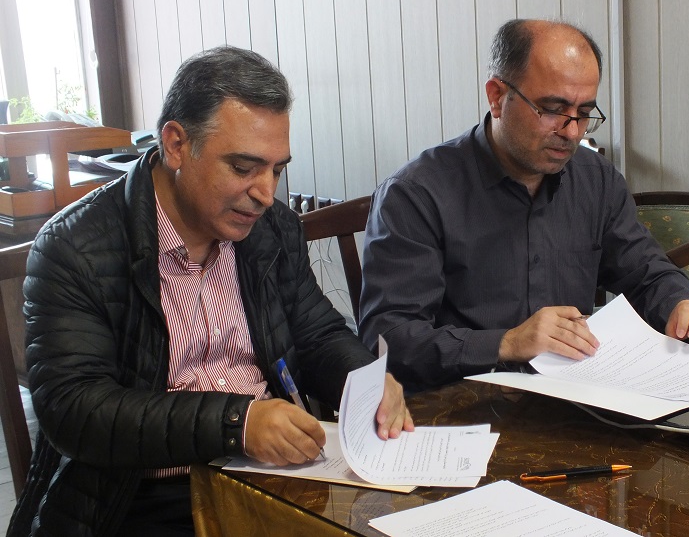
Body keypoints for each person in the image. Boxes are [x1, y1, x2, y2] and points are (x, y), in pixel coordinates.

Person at [9, 46, 413, 536]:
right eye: (243, 168)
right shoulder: (77, 247)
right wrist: (237, 424)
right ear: (176, 145)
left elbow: (318, 333)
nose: (266, 193)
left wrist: (364, 382)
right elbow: (76, 409)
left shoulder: (273, 229)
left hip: (270, 479)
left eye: (277, 169)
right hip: (137, 497)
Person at [359, 19, 689, 393]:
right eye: (552, 109)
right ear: (497, 96)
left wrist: (681, 304)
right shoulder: (416, 194)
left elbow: (646, 271)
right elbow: (387, 338)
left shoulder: (595, 179)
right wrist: (506, 343)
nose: (571, 132)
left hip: (575, 395)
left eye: (584, 113)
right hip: (463, 403)